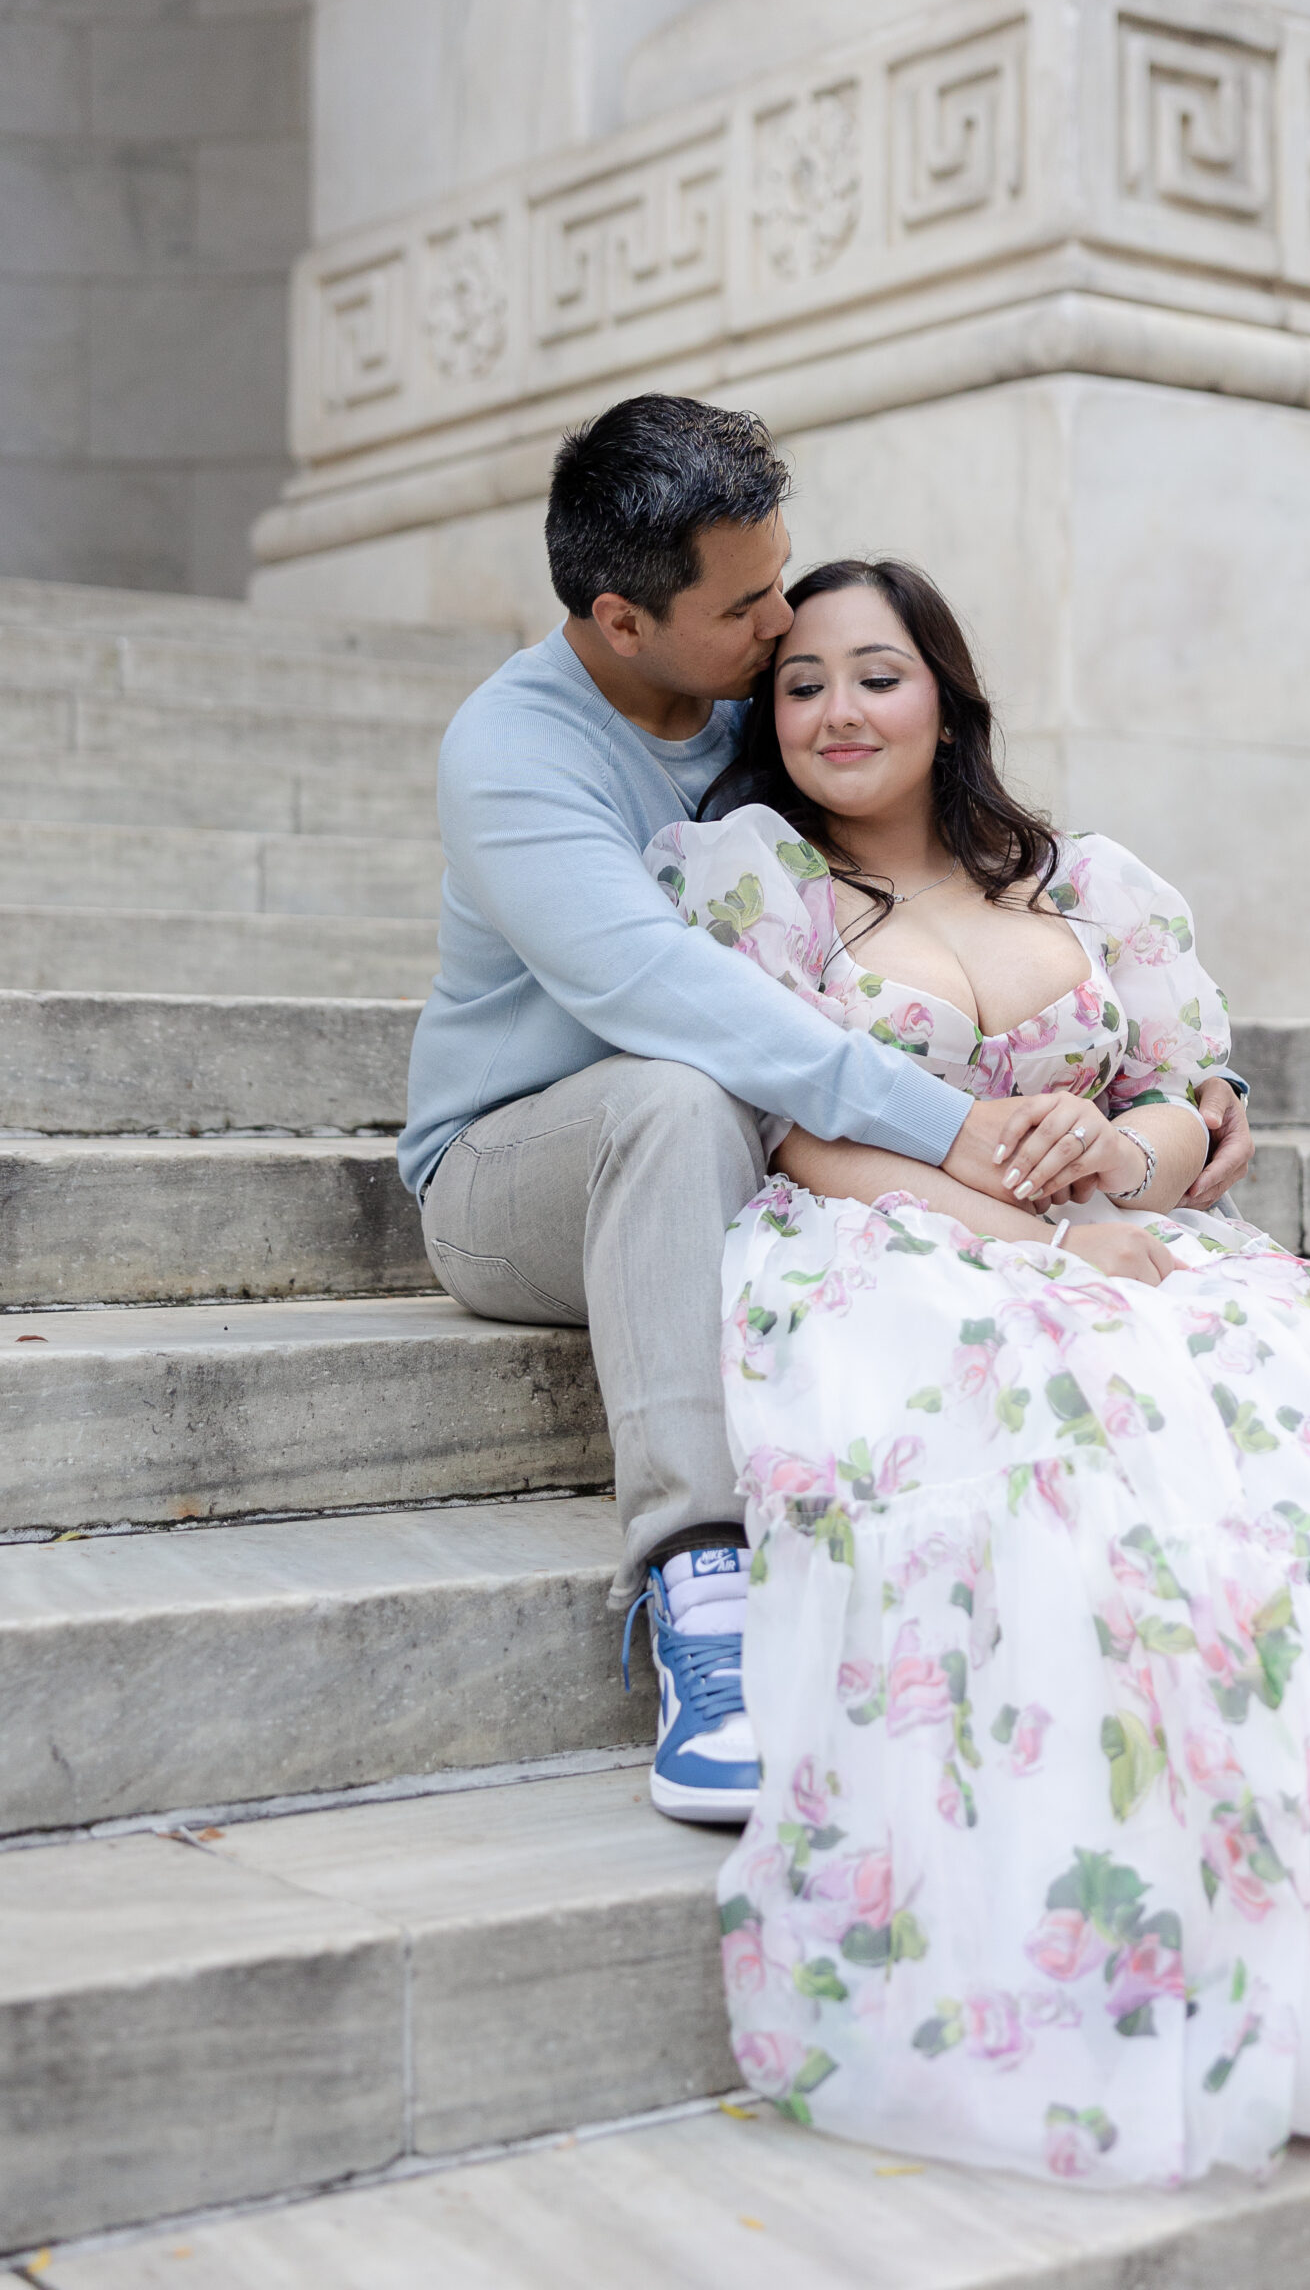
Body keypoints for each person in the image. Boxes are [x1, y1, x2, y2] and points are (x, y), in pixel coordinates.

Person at [645, 558, 1310, 2290]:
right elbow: (786, 1129)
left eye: (879, 675)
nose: (839, 712)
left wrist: (1110, 1166)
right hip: (900, 1249)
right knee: (1075, 1442)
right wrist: (1033, 1223)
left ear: (947, 698)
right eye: (803, 684)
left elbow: (1193, 1115)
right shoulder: (759, 885)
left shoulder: (1090, 886)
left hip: (1146, 1240)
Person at [397, 389, 1259, 1824]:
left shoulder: (758, 688)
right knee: (675, 1094)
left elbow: (947, 857)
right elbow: (673, 996)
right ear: (623, 621)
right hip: (522, 1170)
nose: (782, 629)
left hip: (788, 1164)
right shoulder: (515, 757)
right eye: (748, 610)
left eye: (779, 576)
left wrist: (1190, 1088)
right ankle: (696, 1584)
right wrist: (949, 1127)